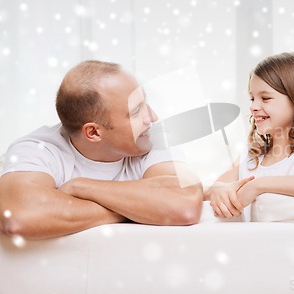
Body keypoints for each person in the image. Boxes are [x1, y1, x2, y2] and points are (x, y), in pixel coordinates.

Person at [0, 60, 203, 239]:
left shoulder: (153, 138)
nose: (152, 117)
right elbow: (18, 217)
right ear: (94, 133)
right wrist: (138, 210)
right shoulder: (38, 149)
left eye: (145, 103)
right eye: (135, 111)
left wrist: (82, 187)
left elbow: (186, 205)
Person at [206, 52, 294, 218]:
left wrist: (259, 185)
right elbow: (209, 191)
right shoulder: (251, 156)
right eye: (252, 99)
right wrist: (217, 189)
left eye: (265, 98)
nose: (253, 107)